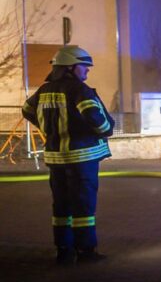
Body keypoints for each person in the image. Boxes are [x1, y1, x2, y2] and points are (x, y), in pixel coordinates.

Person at [21, 45, 114, 264]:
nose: (87, 70)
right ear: (70, 67)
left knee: (61, 205)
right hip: (82, 157)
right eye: (84, 66)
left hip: (56, 159)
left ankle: (64, 250)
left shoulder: (44, 90)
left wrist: (49, 128)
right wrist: (104, 130)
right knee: (83, 206)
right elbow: (96, 119)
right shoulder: (80, 90)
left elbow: (27, 110)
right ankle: (86, 251)